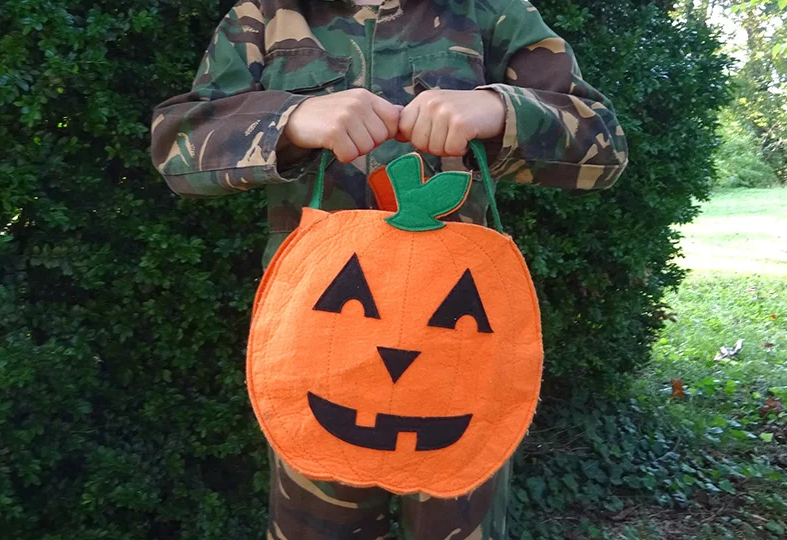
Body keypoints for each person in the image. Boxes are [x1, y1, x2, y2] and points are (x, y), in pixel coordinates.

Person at [150, 0, 628, 537]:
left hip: (457, 342)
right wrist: (288, 120)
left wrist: (498, 112)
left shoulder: (492, 12)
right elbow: (175, 148)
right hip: (317, 338)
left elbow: (604, 148)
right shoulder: (265, 15)